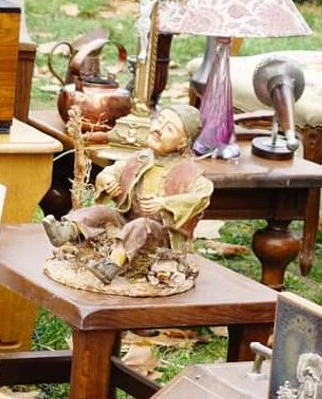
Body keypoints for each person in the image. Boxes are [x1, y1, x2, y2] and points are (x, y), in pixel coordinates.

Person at [43, 103, 212, 284]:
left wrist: (164, 203)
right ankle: (67, 231)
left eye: (169, 129)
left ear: (183, 142)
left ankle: (111, 265)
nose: (158, 130)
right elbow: (111, 171)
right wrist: (107, 181)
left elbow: (203, 195)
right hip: (127, 220)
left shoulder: (189, 171)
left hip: (161, 234)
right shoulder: (141, 158)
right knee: (101, 212)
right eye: (159, 122)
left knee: (140, 225)